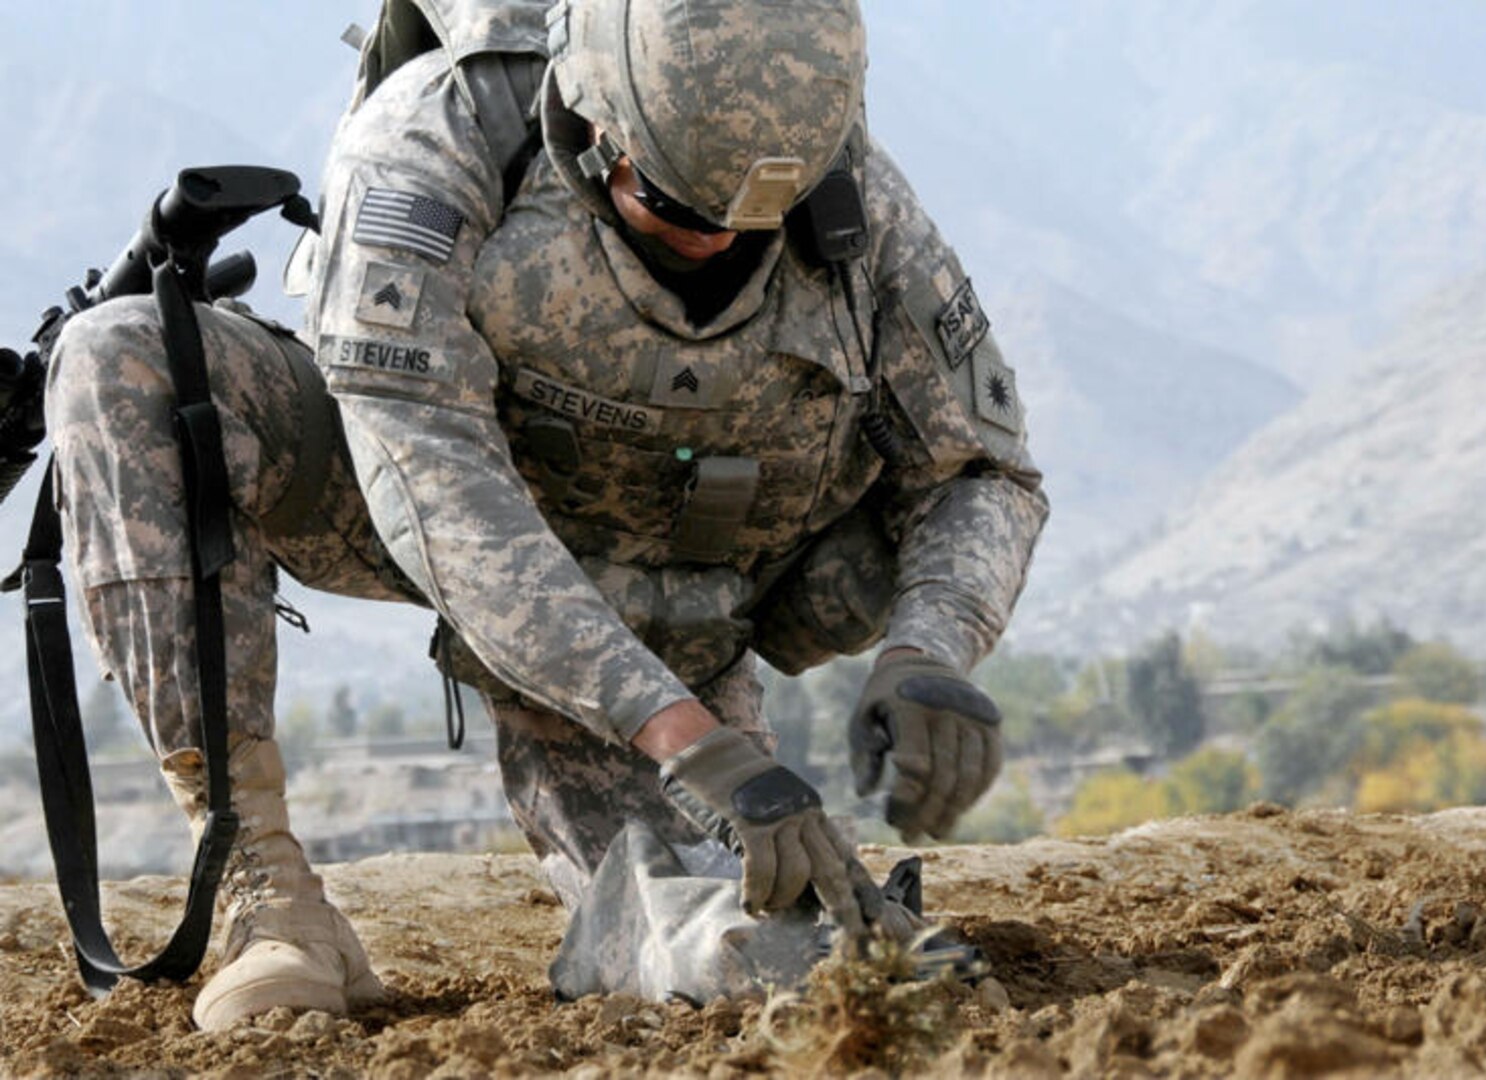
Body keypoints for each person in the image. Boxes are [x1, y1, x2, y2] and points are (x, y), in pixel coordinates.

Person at [43, 0, 1046, 1030]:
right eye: (681, 209)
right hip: (422, 512)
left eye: (754, 224)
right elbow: (432, 479)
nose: (720, 243)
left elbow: (983, 472)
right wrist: (685, 739)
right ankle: (268, 899)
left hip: (682, 596)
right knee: (126, 359)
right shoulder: (440, 139)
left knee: (732, 941)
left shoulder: (853, 201)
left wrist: (927, 654)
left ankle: (721, 904)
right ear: (595, 124)